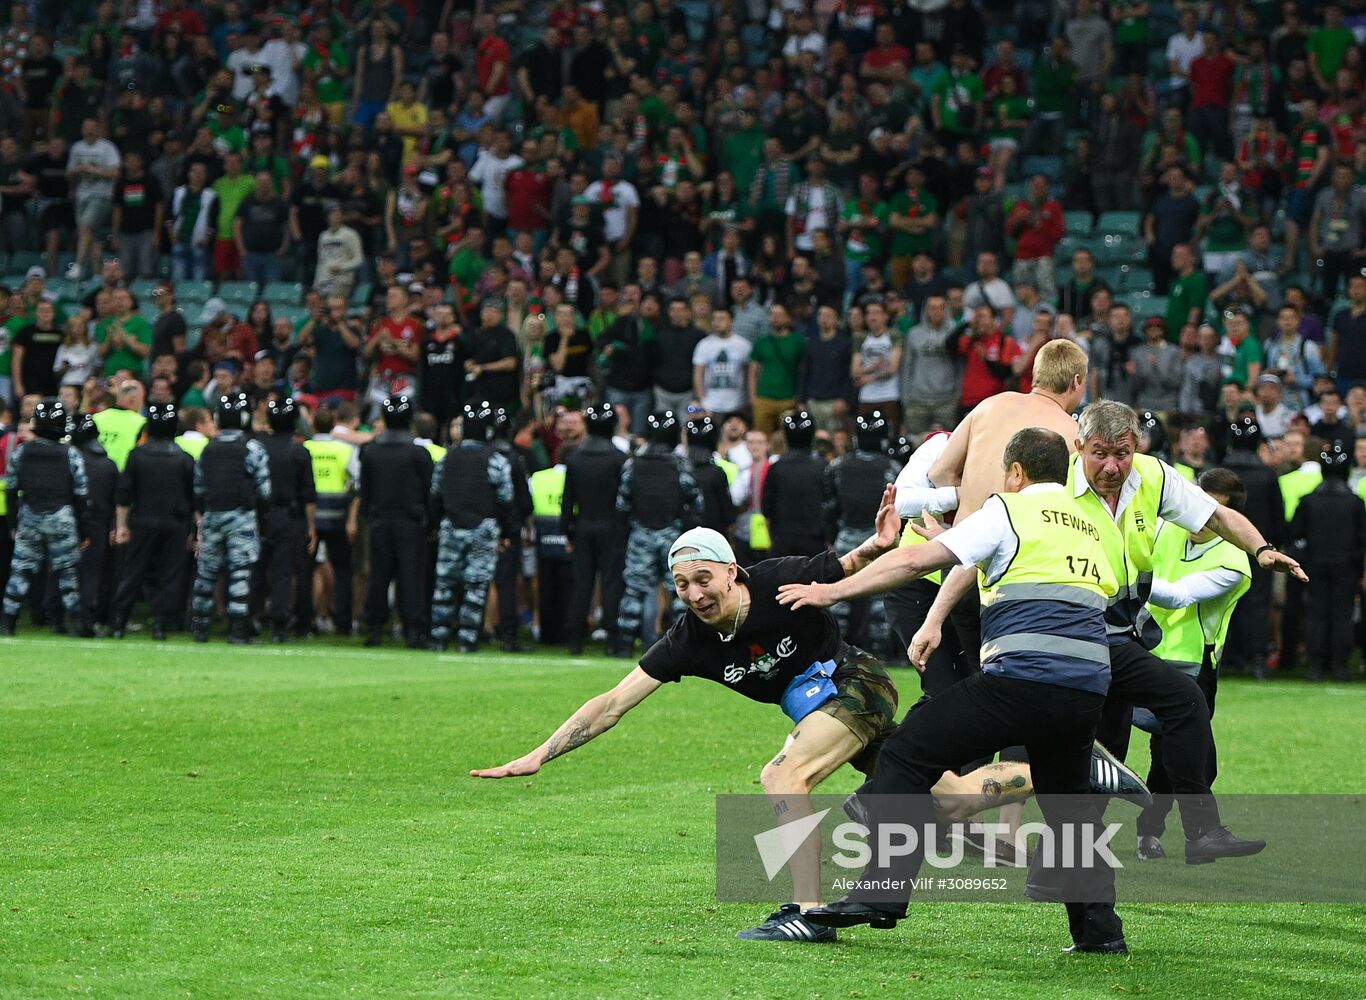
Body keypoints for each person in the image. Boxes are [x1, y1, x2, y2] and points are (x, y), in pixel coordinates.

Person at [472, 509, 904, 944]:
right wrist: (539, 755)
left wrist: (880, 543)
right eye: (682, 584)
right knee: (924, 780)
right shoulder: (688, 641)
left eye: (704, 579)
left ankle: (810, 915)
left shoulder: (776, 579)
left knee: (783, 774)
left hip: (856, 682)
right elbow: (611, 704)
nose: (695, 594)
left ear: (731, 571)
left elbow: (849, 564)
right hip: (821, 709)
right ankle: (973, 808)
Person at [778, 428, 1126, 952]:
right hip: (1087, 687)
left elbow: (916, 561)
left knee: (906, 751)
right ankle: (1099, 933)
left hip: (1021, 677)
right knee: (1070, 805)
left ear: (1015, 473)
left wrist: (829, 589)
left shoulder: (1006, 510)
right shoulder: (1099, 525)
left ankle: (882, 892)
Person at [1136, 467, 1252, 858]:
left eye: (1213, 512)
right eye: (1198, 505)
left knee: (1178, 756)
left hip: (1191, 664)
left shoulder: (1234, 560)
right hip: (1138, 652)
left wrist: (1126, 577)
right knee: (1177, 752)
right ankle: (1189, 834)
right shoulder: (1165, 527)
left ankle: (1154, 832)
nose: (1200, 519)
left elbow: (1180, 595)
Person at [429, 401, 516, 653]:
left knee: (444, 583)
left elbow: (435, 495)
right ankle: (467, 640)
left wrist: (434, 525)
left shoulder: (448, 457)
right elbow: (506, 500)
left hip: (451, 526)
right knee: (476, 586)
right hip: (483, 528)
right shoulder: (495, 460)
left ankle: (439, 637)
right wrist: (508, 533)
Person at [614, 412, 702, 655]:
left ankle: (624, 643)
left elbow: (622, 503)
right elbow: (696, 502)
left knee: (634, 589)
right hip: (672, 534)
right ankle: (684, 645)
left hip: (640, 532)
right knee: (679, 589)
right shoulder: (679, 464)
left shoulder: (633, 463)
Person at [1, 399, 89, 636]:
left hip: (29, 516)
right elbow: (81, 494)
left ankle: (8, 622)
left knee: (20, 571)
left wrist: (13, 524)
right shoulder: (70, 454)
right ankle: (77, 624)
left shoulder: (21, 452)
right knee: (68, 573)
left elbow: (10, 490)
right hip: (61, 516)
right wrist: (84, 528)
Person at [190, 391, 271, 644]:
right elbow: (265, 491)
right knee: (239, 574)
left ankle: (200, 628)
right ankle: (238, 630)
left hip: (213, 515)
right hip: (241, 517)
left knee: (206, 574)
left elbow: (199, 489)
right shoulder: (251, 448)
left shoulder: (208, 449)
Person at [110, 402, 194, 641]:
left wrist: (122, 525)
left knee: (133, 571)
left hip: (143, 522)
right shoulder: (184, 459)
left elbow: (124, 495)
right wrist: (195, 529)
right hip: (175, 523)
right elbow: (194, 497)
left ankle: (119, 622)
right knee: (170, 574)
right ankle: (160, 625)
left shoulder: (137, 456)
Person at [360, 394, 434, 649]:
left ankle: (375, 628)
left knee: (378, 575)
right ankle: (413, 629)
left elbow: (365, 492)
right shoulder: (419, 454)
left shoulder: (370, 452)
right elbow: (428, 493)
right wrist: (430, 523)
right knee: (410, 575)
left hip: (380, 520)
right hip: (410, 523)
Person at [824, 410, 898, 655]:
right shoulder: (892, 468)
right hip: (880, 538)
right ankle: (882, 650)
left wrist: (830, 537)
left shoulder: (838, 465)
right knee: (880, 595)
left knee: (840, 596)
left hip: (846, 537)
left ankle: (835, 648)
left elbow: (828, 506)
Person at [1291, 441, 1364, 682]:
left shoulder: (1309, 501)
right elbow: (1362, 540)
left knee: (1316, 613)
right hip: (1346, 567)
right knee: (1342, 615)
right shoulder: (1355, 503)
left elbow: (1295, 535)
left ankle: (1316, 665)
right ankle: (1340, 665)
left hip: (1314, 566)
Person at [563, 403, 629, 656]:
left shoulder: (575, 459)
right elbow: (625, 501)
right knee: (612, 583)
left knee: (582, 583)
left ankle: (575, 639)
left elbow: (568, 501)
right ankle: (613, 639)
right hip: (611, 527)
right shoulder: (619, 459)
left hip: (583, 526)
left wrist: (568, 531)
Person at [256, 397, 317, 644]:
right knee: (283, 571)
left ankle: (249, 617)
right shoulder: (299, 451)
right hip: (289, 517)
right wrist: (311, 526)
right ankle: (279, 624)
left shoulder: (257, 446)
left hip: (260, 515)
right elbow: (308, 494)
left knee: (256, 568)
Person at [303, 407, 360, 637]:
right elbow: (358, 482)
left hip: (310, 519)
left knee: (307, 570)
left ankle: (305, 621)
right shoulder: (345, 449)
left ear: (314, 425)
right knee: (343, 570)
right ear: (333, 424)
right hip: (338, 517)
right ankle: (343, 623)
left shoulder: (305, 448)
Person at [68, 415, 118, 636]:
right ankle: (90, 617)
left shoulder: (69, 460)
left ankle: (56, 617)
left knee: (63, 571)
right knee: (93, 573)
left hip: (70, 521)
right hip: (100, 523)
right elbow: (118, 499)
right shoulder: (108, 464)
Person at [762, 410, 826, 558]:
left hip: (783, 540)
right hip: (814, 541)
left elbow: (766, 508)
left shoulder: (776, 468)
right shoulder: (822, 467)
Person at [530, 443, 574, 647]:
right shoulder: (577, 477)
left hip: (543, 534)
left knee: (545, 586)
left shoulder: (539, 477)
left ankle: (547, 634)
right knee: (568, 587)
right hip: (569, 534)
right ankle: (567, 632)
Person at [683, 414, 736, 535]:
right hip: (713, 537)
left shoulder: (680, 471)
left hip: (685, 537)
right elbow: (728, 515)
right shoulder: (716, 473)